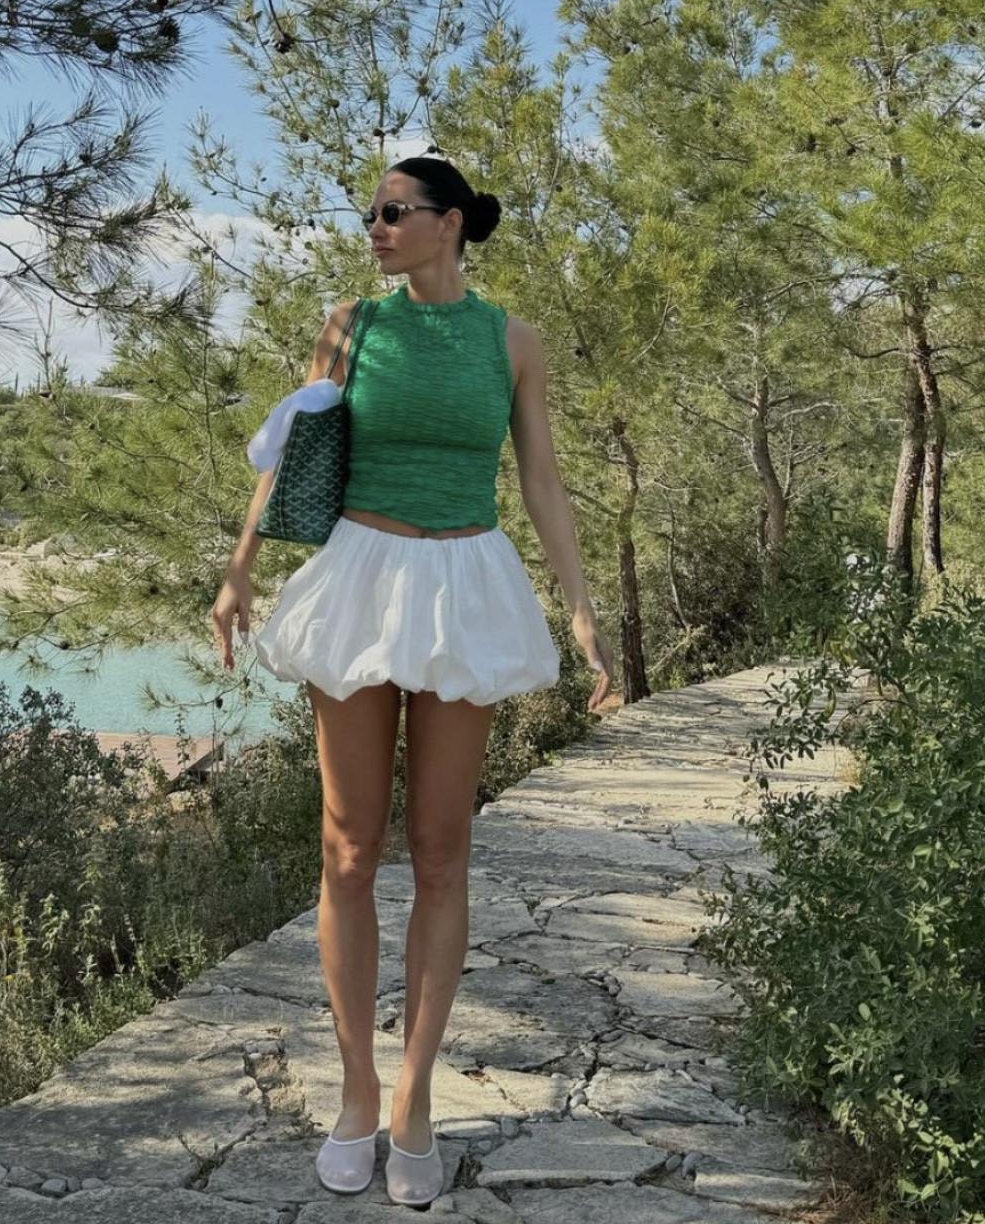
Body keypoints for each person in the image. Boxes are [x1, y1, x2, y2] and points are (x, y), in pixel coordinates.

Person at [211, 156, 618, 1205]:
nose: (376, 226)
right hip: (361, 575)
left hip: (464, 583)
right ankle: (356, 1092)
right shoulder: (351, 325)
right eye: (372, 212)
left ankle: (413, 1099)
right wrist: (240, 568)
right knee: (349, 847)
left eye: (394, 212)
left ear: (450, 224)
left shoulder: (513, 341)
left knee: (442, 852)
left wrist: (580, 608)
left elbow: (540, 478)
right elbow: (293, 447)